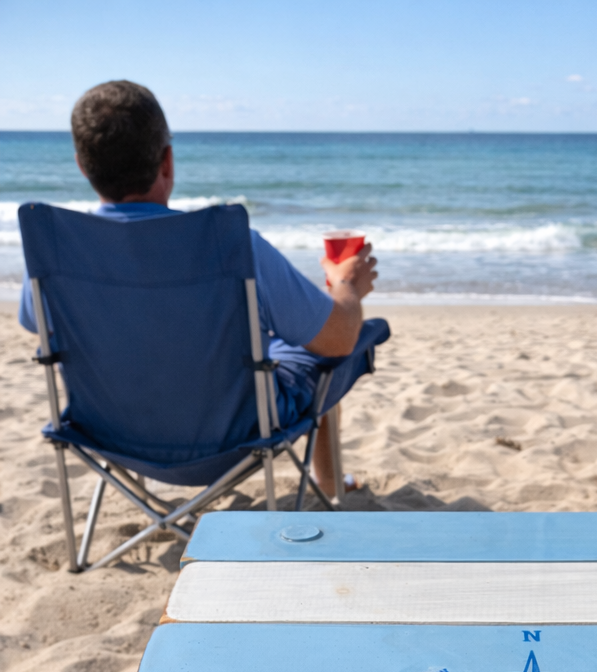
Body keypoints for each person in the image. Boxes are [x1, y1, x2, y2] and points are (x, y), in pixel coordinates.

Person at [19, 79, 380, 498]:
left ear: (82, 165)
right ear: (167, 161)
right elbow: (338, 340)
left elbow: (36, 325)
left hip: (109, 436)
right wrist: (346, 286)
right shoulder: (231, 246)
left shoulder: (55, 255)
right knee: (319, 338)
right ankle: (330, 483)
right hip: (238, 440)